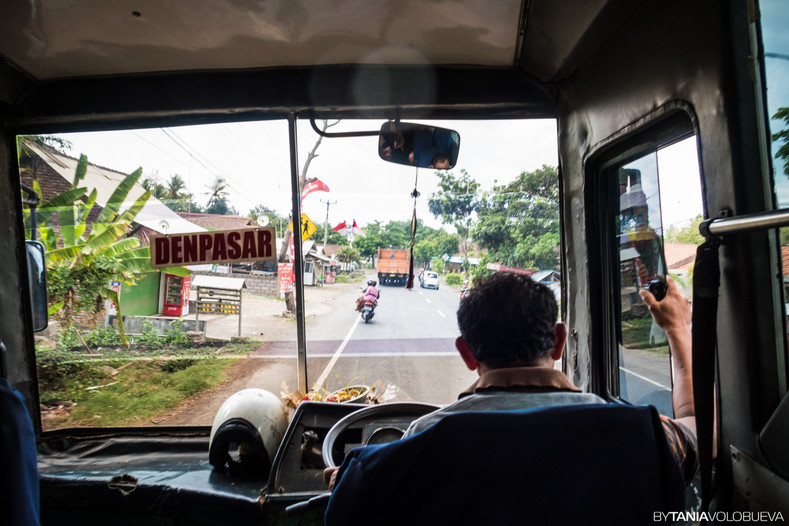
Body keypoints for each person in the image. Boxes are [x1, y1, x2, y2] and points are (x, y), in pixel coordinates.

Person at [326, 272, 696, 489]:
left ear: (467, 353)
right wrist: (678, 329)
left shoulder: (420, 442)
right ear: (558, 341)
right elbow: (699, 430)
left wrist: (345, 480)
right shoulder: (637, 432)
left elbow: (350, 510)